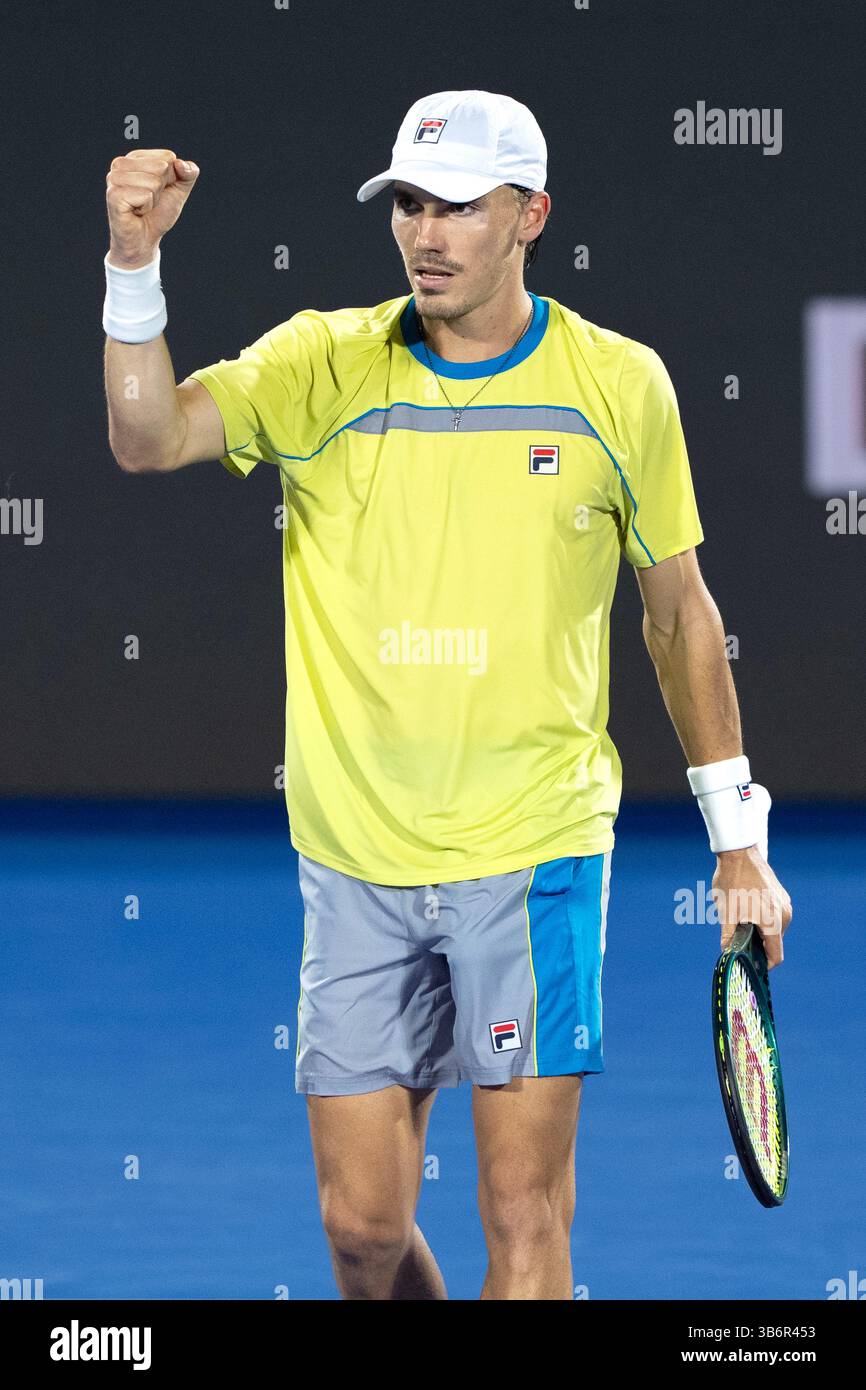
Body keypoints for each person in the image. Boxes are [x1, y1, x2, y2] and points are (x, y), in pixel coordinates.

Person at [102, 89, 793, 1301]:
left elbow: (678, 611)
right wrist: (132, 264)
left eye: (461, 208)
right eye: (409, 204)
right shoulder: (318, 362)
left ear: (529, 216)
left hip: (533, 854)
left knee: (522, 1215)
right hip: (353, 857)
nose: (427, 233)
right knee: (363, 1233)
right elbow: (146, 435)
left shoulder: (618, 386)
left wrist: (737, 842)